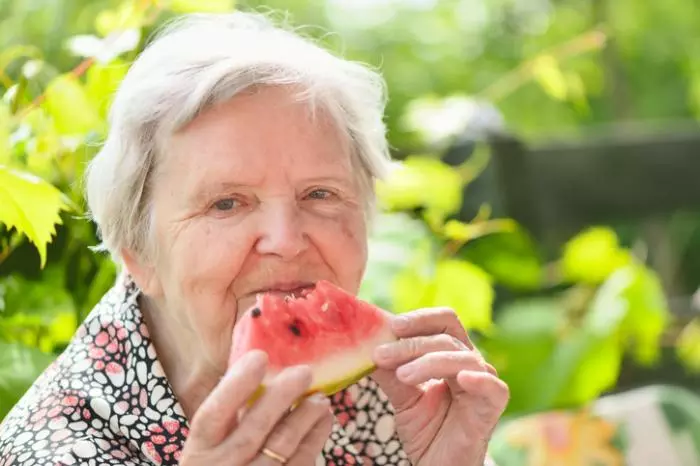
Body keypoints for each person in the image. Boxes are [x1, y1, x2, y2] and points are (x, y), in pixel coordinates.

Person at [0, 11, 508, 466]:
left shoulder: (392, 393)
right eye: (227, 203)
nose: (286, 241)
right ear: (138, 252)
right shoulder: (53, 452)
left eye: (320, 194)